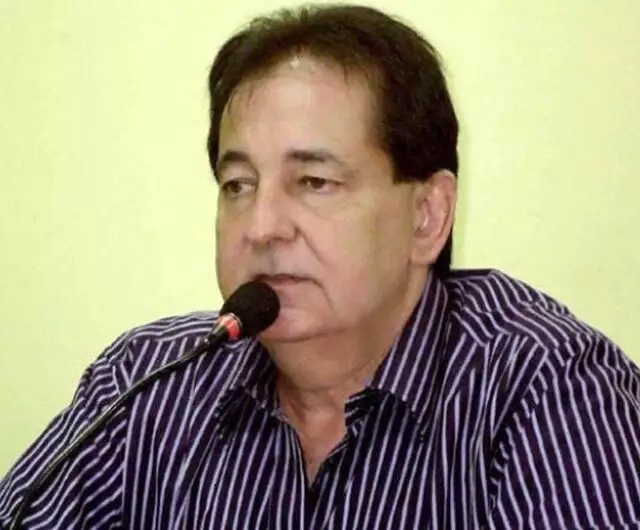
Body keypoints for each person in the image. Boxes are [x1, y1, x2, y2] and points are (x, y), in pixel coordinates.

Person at [1, 3, 639, 529]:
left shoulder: (549, 392)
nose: (261, 227)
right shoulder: (144, 387)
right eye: (238, 185)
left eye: (313, 182)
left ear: (427, 216)